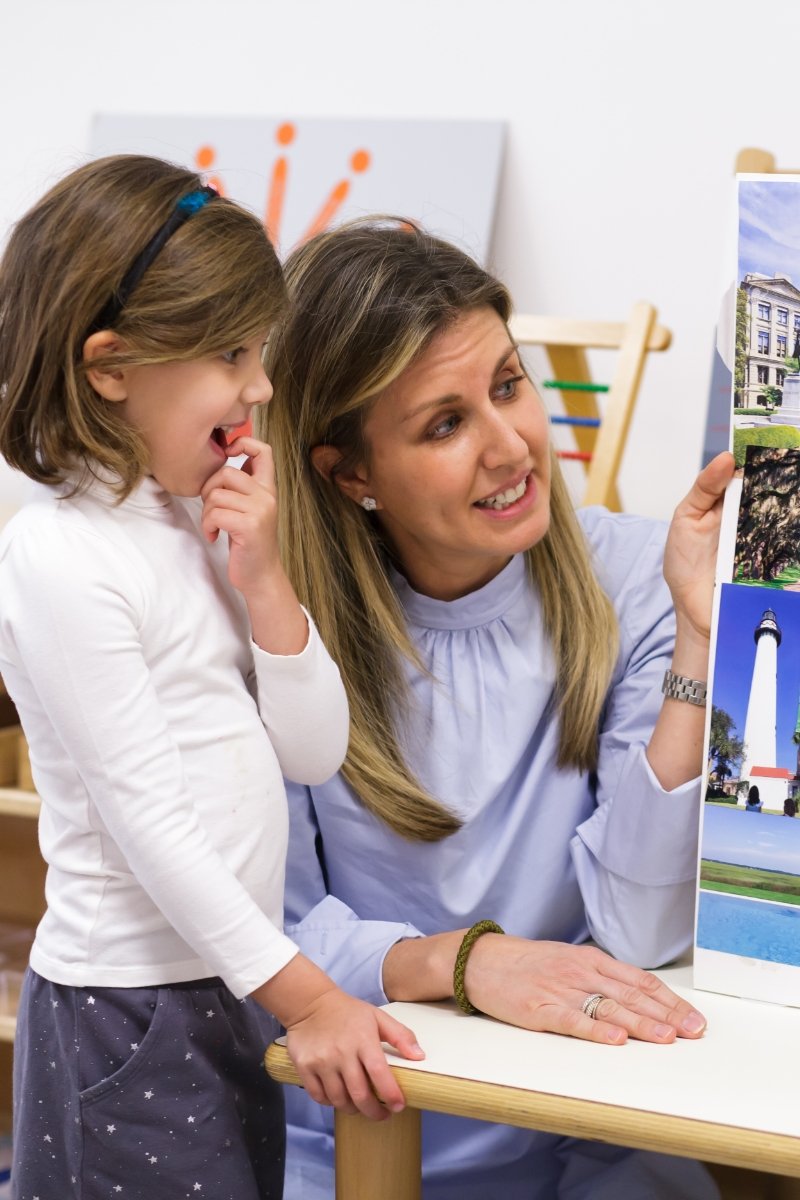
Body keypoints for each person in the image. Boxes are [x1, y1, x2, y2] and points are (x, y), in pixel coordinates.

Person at [263, 219, 735, 1199]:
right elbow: (271, 935)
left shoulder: (638, 575)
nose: (510, 445)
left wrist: (697, 639)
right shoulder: (278, 628)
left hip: (580, 1125)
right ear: (349, 474)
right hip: (359, 1127)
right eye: (443, 424)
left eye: (508, 386)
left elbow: (638, 933)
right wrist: (469, 965)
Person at [0, 161, 423, 1200]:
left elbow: (314, 752)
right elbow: (147, 827)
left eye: (259, 350)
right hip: (130, 1010)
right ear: (109, 368)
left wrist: (269, 583)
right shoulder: (59, 554)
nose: (261, 386)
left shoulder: (197, 522)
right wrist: (312, 997)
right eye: (231, 353)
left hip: (226, 981)